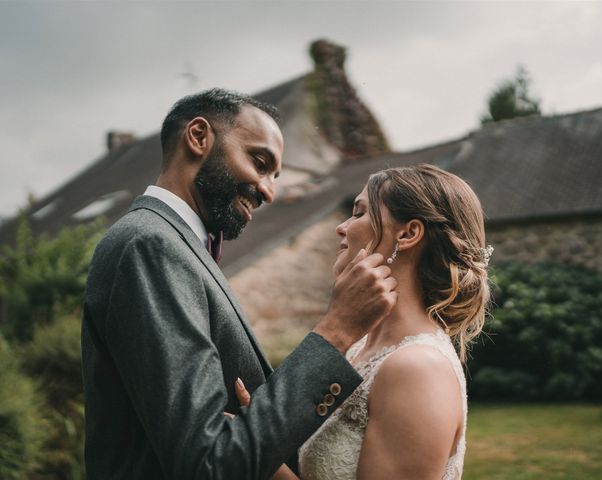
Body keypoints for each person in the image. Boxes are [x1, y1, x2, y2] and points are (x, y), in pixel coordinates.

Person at [81, 88, 398, 480]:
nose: (268, 190)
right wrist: (338, 329)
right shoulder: (150, 245)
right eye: (259, 162)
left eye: (274, 175)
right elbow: (209, 464)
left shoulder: (176, 243)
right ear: (198, 137)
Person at [238, 164, 491, 480]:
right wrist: (258, 431)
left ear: (408, 233)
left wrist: (255, 461)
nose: (341, 228)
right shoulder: (356, 346)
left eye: (359, 213)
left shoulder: (417, 368)